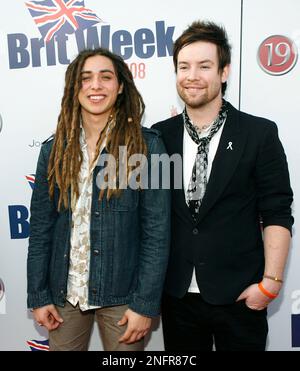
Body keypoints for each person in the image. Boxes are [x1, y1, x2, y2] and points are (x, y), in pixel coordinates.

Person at [152, 20, 293, 351]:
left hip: (241, 295)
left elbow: (277, 213)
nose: (192, 76)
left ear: (224, 72)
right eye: (184, 67)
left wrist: (270, 285)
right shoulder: (159, 136)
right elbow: (153, 217)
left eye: (204, 66)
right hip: (177, 297)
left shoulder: (259, 134)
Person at [27, 48, 170, 351]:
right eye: (85, 78)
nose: (95, 86)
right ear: (73, 88)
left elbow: (157, 233)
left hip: (123, 299)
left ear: (120, 87)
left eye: (106, 77)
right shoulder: (52, 151)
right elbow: (40, 229)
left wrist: (144, 305)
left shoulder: (149, 146)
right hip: (65, 295)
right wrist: (39, 296)